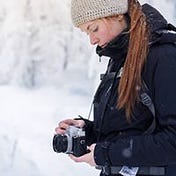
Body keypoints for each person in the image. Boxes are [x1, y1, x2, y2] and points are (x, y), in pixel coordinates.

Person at [55, 0, 176, 175]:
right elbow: (132, 128)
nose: (92, 40)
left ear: (117, 14)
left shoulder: (164, 56)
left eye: (93, 28)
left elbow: (172, 140)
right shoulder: (121, 57)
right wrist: (87, 130)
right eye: (86, 33)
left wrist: (106, 153)